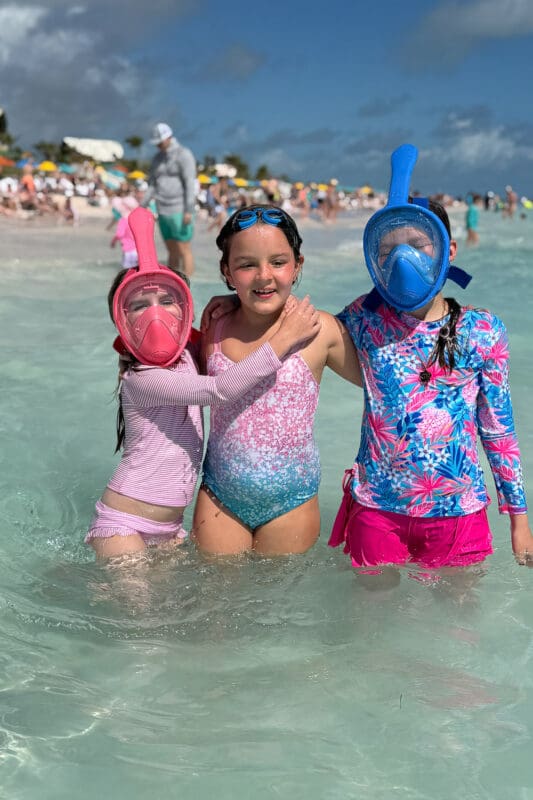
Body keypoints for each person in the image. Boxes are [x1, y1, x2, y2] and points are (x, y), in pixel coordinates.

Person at [329, 144, 533, 581]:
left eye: (418, 244)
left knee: (453, 635)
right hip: (377, 508)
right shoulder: (363, 320)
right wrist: (227, 308)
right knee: (371, 635)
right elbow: (299, 331)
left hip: (458, 511)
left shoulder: (483, 331)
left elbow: (497, 426)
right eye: (390, 248)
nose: (405, 257)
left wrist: (519, 518)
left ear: (448, 251)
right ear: (375, 259)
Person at [86, 207, 321, 561]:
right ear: (122, 322)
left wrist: (235, 299)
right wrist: (282, 340)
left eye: (168, 301)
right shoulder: (141, 378)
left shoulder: (186, 355)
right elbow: (219, 389)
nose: (156, 315)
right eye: (138, 306)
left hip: (169, 530)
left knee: (173, 614)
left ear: (185, 307)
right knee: (138, 616)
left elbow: (227, 345)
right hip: (124, 523)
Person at [192, 204, 361, 557]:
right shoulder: (215, 328)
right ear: (227, 271)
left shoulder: (320, 331)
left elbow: (384, 379)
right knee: (216, 606)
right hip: (220, 497)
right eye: (247, 265)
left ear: (298, 265)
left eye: (278, 262)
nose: (264, 276)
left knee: (278, 607)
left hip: (292, 502)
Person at [141, 123, 197, 278]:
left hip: (180, 208)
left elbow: (189, 183)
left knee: (183, 248)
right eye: (156, 142)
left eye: (160, 141)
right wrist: (142, 206)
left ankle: (189, 286)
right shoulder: (157, 158)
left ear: (169, 137)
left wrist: (189, 210)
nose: (158, 145)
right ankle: (173, 284)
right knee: (171, 249)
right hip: (162, 209)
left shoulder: (184, 154)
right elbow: (152, 184)